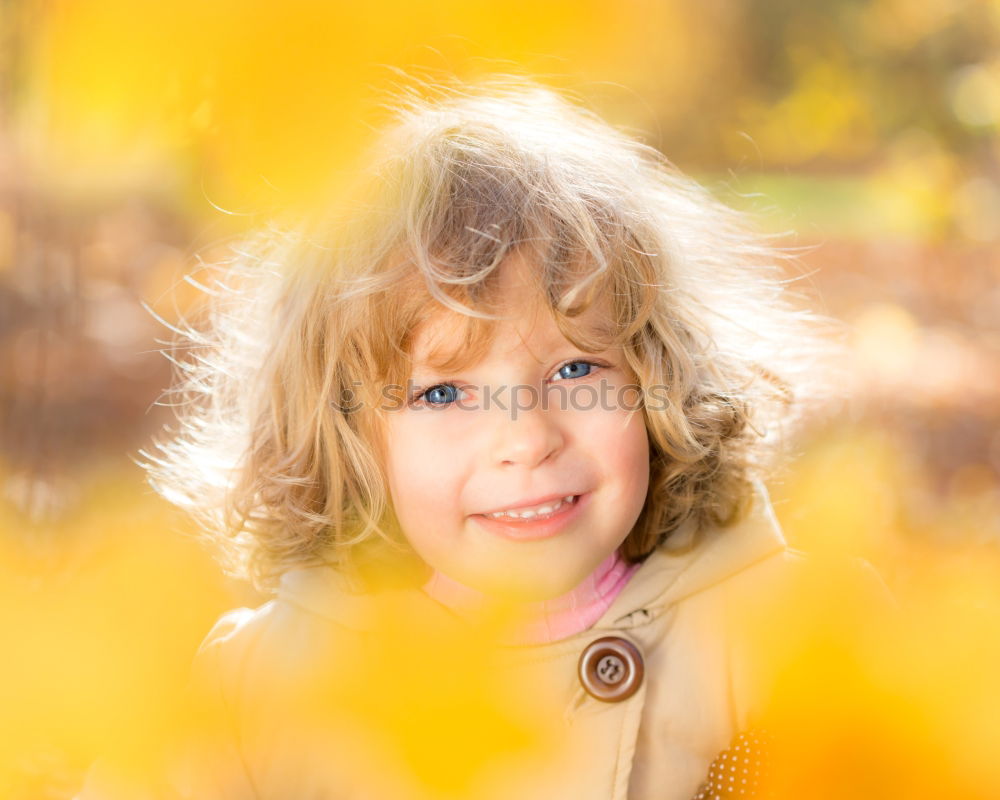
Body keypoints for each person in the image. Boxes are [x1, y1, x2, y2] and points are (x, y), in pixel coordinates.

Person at [82, 76, 836, 800]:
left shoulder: (777, 637)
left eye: (577, 368)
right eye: (443, 391)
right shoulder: (265, 688)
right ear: (348, 434)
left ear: (654, 378)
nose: (526, 439)